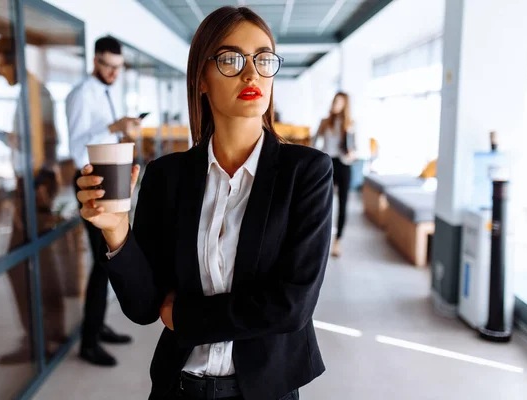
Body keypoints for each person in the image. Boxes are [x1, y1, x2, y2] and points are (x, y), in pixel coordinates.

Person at [77, 6, 333, 400]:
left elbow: (291, 306)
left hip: (265, 391)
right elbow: (144, 307)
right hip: (179, 388)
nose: (251, 74)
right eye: (231, 59)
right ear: (201, 78)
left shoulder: (307, 172)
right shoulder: (166, 175)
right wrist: (116, 231)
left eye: (263, 59)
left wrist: (184, 316)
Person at [0, 36, 66, 364]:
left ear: (14, 61)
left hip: (33, 187)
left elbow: (45, 141)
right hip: (34, 186)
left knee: (20, 264)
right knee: (39, 261)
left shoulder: (35, 94)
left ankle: (39, 339)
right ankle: (50, 332)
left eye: (1, 66)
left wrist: (35, 190)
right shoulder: (32, 92)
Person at [66, 36, 138, 367]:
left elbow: (103, 139)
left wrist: (123, 132)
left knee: (108, 256)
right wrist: (114, 125)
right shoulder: (81, 94)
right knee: (100, 263)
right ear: (95, 61)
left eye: (118, 68)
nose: (113, 73)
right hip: (89, 181)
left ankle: (99, 326)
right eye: (108, 66)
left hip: (107, 178)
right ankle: (89, 342)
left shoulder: (107, 91)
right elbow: (78, 150)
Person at [315, 92, 356, 258]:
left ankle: (338, 241)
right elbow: (314, 142)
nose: (335, 104)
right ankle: (321, 239)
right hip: (327, 163)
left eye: (339, 102)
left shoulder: (350, 124)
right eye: (335, 101)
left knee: (343, 203)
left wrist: (351, 150)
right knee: (324, 203)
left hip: (344, 164)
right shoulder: (325, 122)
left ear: (345, 104)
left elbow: (354, 151)